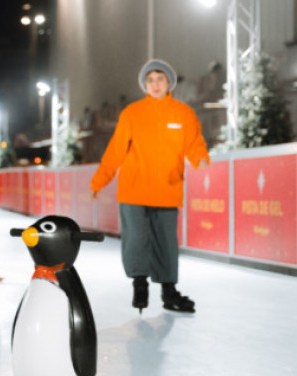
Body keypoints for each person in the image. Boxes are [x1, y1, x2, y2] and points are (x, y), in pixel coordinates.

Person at [90, 59, 210, 314]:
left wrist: (200, 158)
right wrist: (100, 180)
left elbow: (194, 142)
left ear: (169, 83)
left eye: (160, 79)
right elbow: (115, 151)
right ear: (145, 85)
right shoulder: (132, 113)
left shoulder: (183, 113)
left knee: (166, 242)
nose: (155, 85)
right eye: (150, 80)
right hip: (135, 190)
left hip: (168, 189)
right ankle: (140, 285)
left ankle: (169, 292)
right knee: (136, 240)